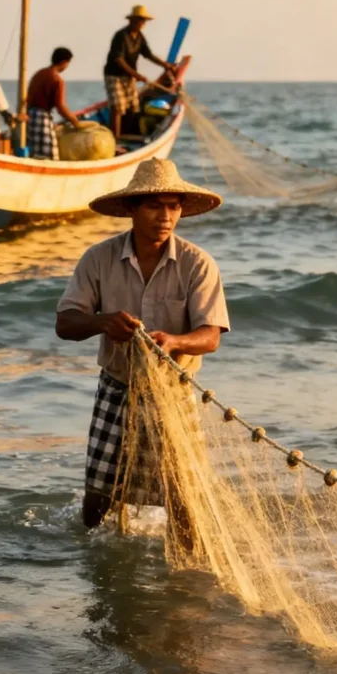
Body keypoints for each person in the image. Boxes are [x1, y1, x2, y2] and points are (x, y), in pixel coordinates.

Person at [55, 157, 229, 530]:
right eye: (154, 206)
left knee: (182, 496)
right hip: (117, 387)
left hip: (173, 391)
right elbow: (65, 324)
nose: (165, 216)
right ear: (132, 209)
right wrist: (104, 322)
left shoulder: (197, 264)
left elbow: (210, 336)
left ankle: (185, 577)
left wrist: (176, 342)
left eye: (173, 206)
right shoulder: (98, 259)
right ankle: (93, 569)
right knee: (99, 494)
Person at [104, 5, 176, 139]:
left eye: (143, 21)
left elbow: (148, 54)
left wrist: (165, 65)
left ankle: (126, 134)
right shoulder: (121, 36)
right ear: (132, 20)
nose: (142, 23)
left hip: (129, 75)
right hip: (114, 75)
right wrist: (136, 75)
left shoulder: (140, 37)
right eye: (140, 20)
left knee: (133, 106)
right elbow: (119, 60)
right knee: (118, 107)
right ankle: (115, 138)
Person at [26, 47, 81, 160]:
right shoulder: (57, 79)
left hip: (29, 115)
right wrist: (75, 121)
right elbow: (60, 106)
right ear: (64, 62)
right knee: (49, 155)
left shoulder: (40, 73)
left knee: (35, 152)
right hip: (41, 117)